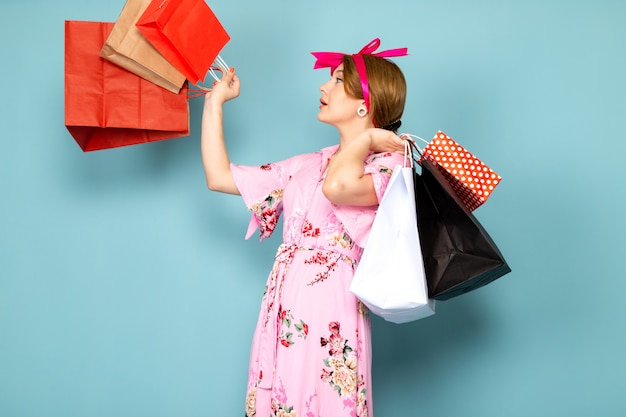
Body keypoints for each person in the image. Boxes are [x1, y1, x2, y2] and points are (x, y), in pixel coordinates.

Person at [201, 38, 409, 417]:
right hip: (284, 304)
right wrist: (214, 103)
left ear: (366, 102)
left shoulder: (390, 164)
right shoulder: (310, 163)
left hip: (332, 306)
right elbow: (219, 177)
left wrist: (365, 140)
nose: (322, 87)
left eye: (336, 80)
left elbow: (338, 187)